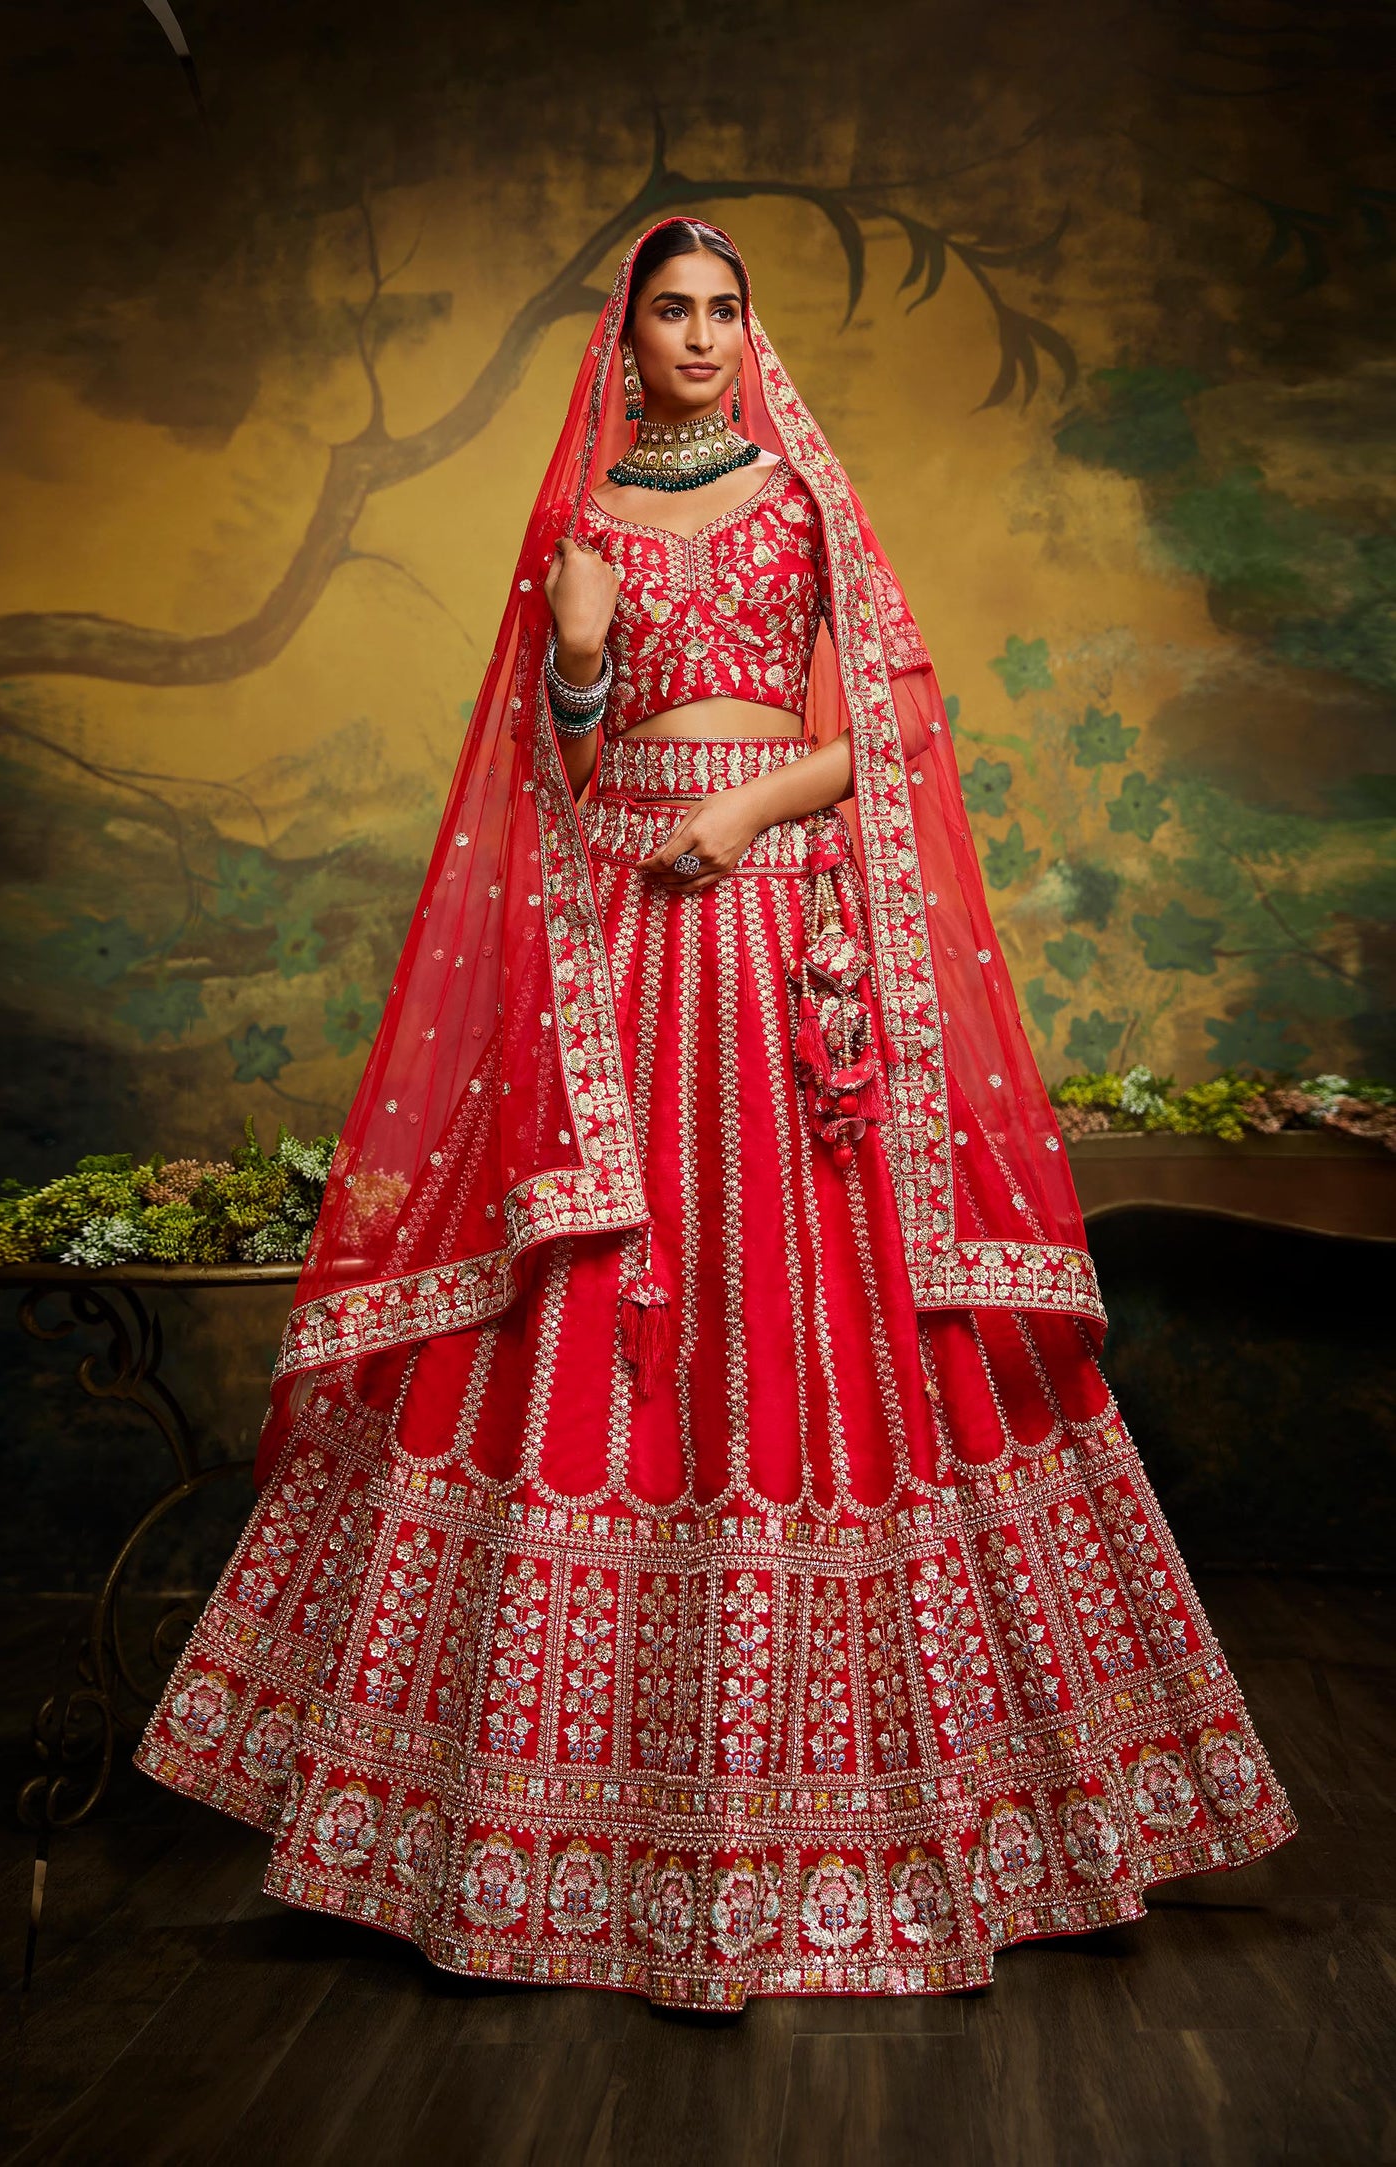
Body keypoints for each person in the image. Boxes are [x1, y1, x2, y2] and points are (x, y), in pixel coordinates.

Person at [138, 219, 1294, 2008]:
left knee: (810, 1297)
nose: (697, 335)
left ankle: (920, 1805)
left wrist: (750, 811)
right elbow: (555, 762)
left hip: (772, 928)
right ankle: (524, 1812)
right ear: (624, 339)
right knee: (593, 1295)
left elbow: (893, 731)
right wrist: (577, 653)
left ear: (751, 332)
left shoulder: (802, 496)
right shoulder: (583, 522)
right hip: (617, 932)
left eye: (722, 310)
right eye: (668, 311)